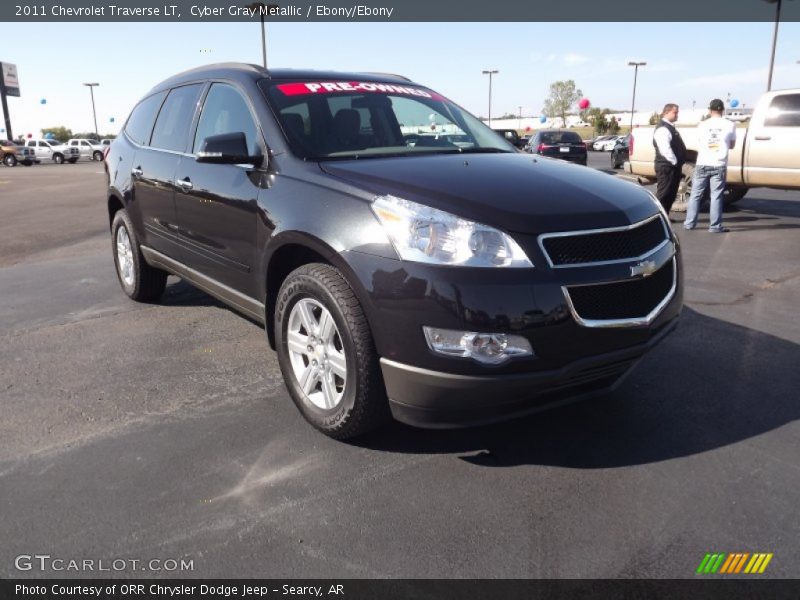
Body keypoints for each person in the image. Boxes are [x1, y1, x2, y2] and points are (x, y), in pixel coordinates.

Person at [684, 99, 737, 233]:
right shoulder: (730, 124)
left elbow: (700, 141)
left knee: (696, 194)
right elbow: (732, 145)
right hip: (719, 163)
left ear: (710, 110)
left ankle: (689, 223)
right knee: (716, 195)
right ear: (722, 110)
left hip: (702, 162)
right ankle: (715, 226)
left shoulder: (702, 125)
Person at [652, 103, 687, 220]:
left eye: (677, 112)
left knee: (671, 194)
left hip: (672, 167)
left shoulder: (670, 127)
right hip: (666, 166)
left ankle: (664, 216)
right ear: (666, 112)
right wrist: (675, 162)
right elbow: (665, 149)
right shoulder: (663, 128)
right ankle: (657, 218)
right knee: (664, 194)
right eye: (675, 112)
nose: (677, 115)